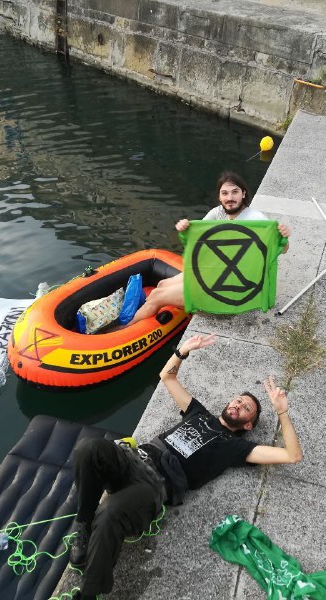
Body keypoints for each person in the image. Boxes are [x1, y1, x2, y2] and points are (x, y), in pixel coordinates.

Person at [68, 333, 303, 600]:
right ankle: (82, 527)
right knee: (88, 448)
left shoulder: (236, 448)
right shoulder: (198, 412)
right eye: (238, 399)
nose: (238, 404)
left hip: (155, 484)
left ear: (248, 425)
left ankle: (88, 594)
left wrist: (282, 412)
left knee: (111, 512)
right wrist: (183, 352)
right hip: (136, 458)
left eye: (247, 407)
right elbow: (167, 377)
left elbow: (292, 455)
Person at [125, 171, 291, 326]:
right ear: (219, 197)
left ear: (244, 194)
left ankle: (121, 330)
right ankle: (173, 308)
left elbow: (282, 249)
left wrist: (284, 237)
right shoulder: (217, 213)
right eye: (225, 193)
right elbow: (198, 240)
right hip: (212, 273)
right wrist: (185, 228)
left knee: (156, 296)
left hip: (227, 288)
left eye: (235, 192)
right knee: (161, 284)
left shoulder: (256, 220)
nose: (230, 197)